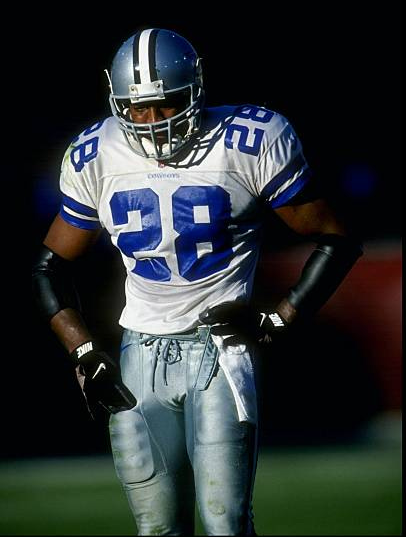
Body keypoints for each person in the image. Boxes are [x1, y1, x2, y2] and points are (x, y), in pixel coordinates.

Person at [32, 27, 362, 536]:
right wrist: (82, 352)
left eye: (166, 105)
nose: (152, 122)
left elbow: (336, 240)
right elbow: (51, 267)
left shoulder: (247, 140)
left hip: (222, 352)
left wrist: (280, 318)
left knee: (224, 522)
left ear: (196, 90)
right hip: (139, 354)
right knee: (156, 528)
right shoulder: (96, 153)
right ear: (118, 103)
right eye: (138, 108)